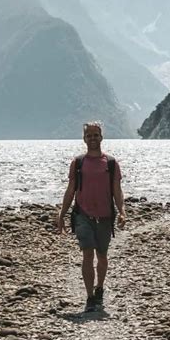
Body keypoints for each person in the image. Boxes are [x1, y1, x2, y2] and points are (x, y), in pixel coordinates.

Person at [57, 122, 126, 312]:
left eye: (96, 135)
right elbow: (71, 189)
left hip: (104, 216)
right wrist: (62, 214)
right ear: (84, 138)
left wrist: (122, 211)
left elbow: (117, 190)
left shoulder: (111, 163)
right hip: (82, 215)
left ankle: (100, 287)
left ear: (101, 137)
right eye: (89, 136)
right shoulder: (78, 163)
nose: (92, 139)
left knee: (102, 255)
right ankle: (89, 297)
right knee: (87, 254)